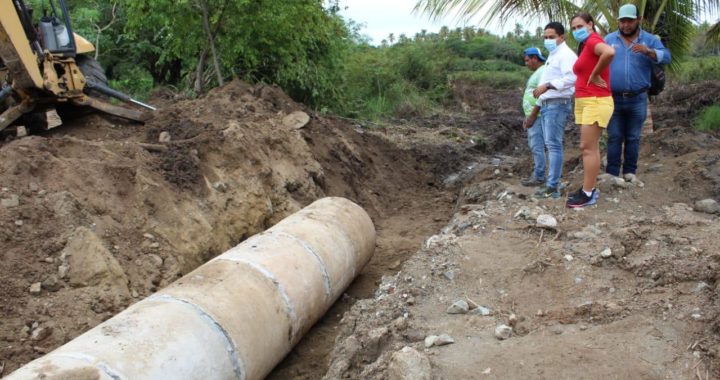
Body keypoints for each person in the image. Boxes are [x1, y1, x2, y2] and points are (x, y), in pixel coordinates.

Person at [604, 4, 671, 181]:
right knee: (614, 136)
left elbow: (667, 56)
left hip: (638, 98)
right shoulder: (609, 39)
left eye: (629, 21)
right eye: (622, 21)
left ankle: (629, 172)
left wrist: (649, 52)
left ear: (638, 20)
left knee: (633, 137)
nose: (626, 25)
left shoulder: (649, 39)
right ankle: (612, 173)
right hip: (614, 98)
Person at [566, 13, 616, 208]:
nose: (577, 30)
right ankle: (588, 189)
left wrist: (595, 74)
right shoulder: (586, 45)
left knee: (588, 148)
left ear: (590, 24)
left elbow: (610, 52)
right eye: (574, 28)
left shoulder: (594, 40)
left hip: (596, 100)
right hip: (587, 100)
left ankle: (588, 194)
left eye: (580, 26)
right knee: (589, 147)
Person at [528, 22, 578, 199]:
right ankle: (552, 183)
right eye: (546, 37)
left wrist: (548, 85)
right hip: (550, 104)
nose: (548, 40)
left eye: (552, 37)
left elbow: (572, 77)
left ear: (561, 37)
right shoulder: (553, 55)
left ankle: (552, 187)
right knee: (552, 145)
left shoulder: (565, 55)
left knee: (554, 145)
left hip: (557, 104)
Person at [521, 47, 547, 187]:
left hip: (537, 116)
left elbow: (542, 96)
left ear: (535, 58)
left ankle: (539, 176)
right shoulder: (539, 72)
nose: (526, 64)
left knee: (537, 145)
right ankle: (539, 174)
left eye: (527, 60)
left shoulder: (542, 72)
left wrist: (531, 116)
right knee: (536, 145)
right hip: (534, 115)